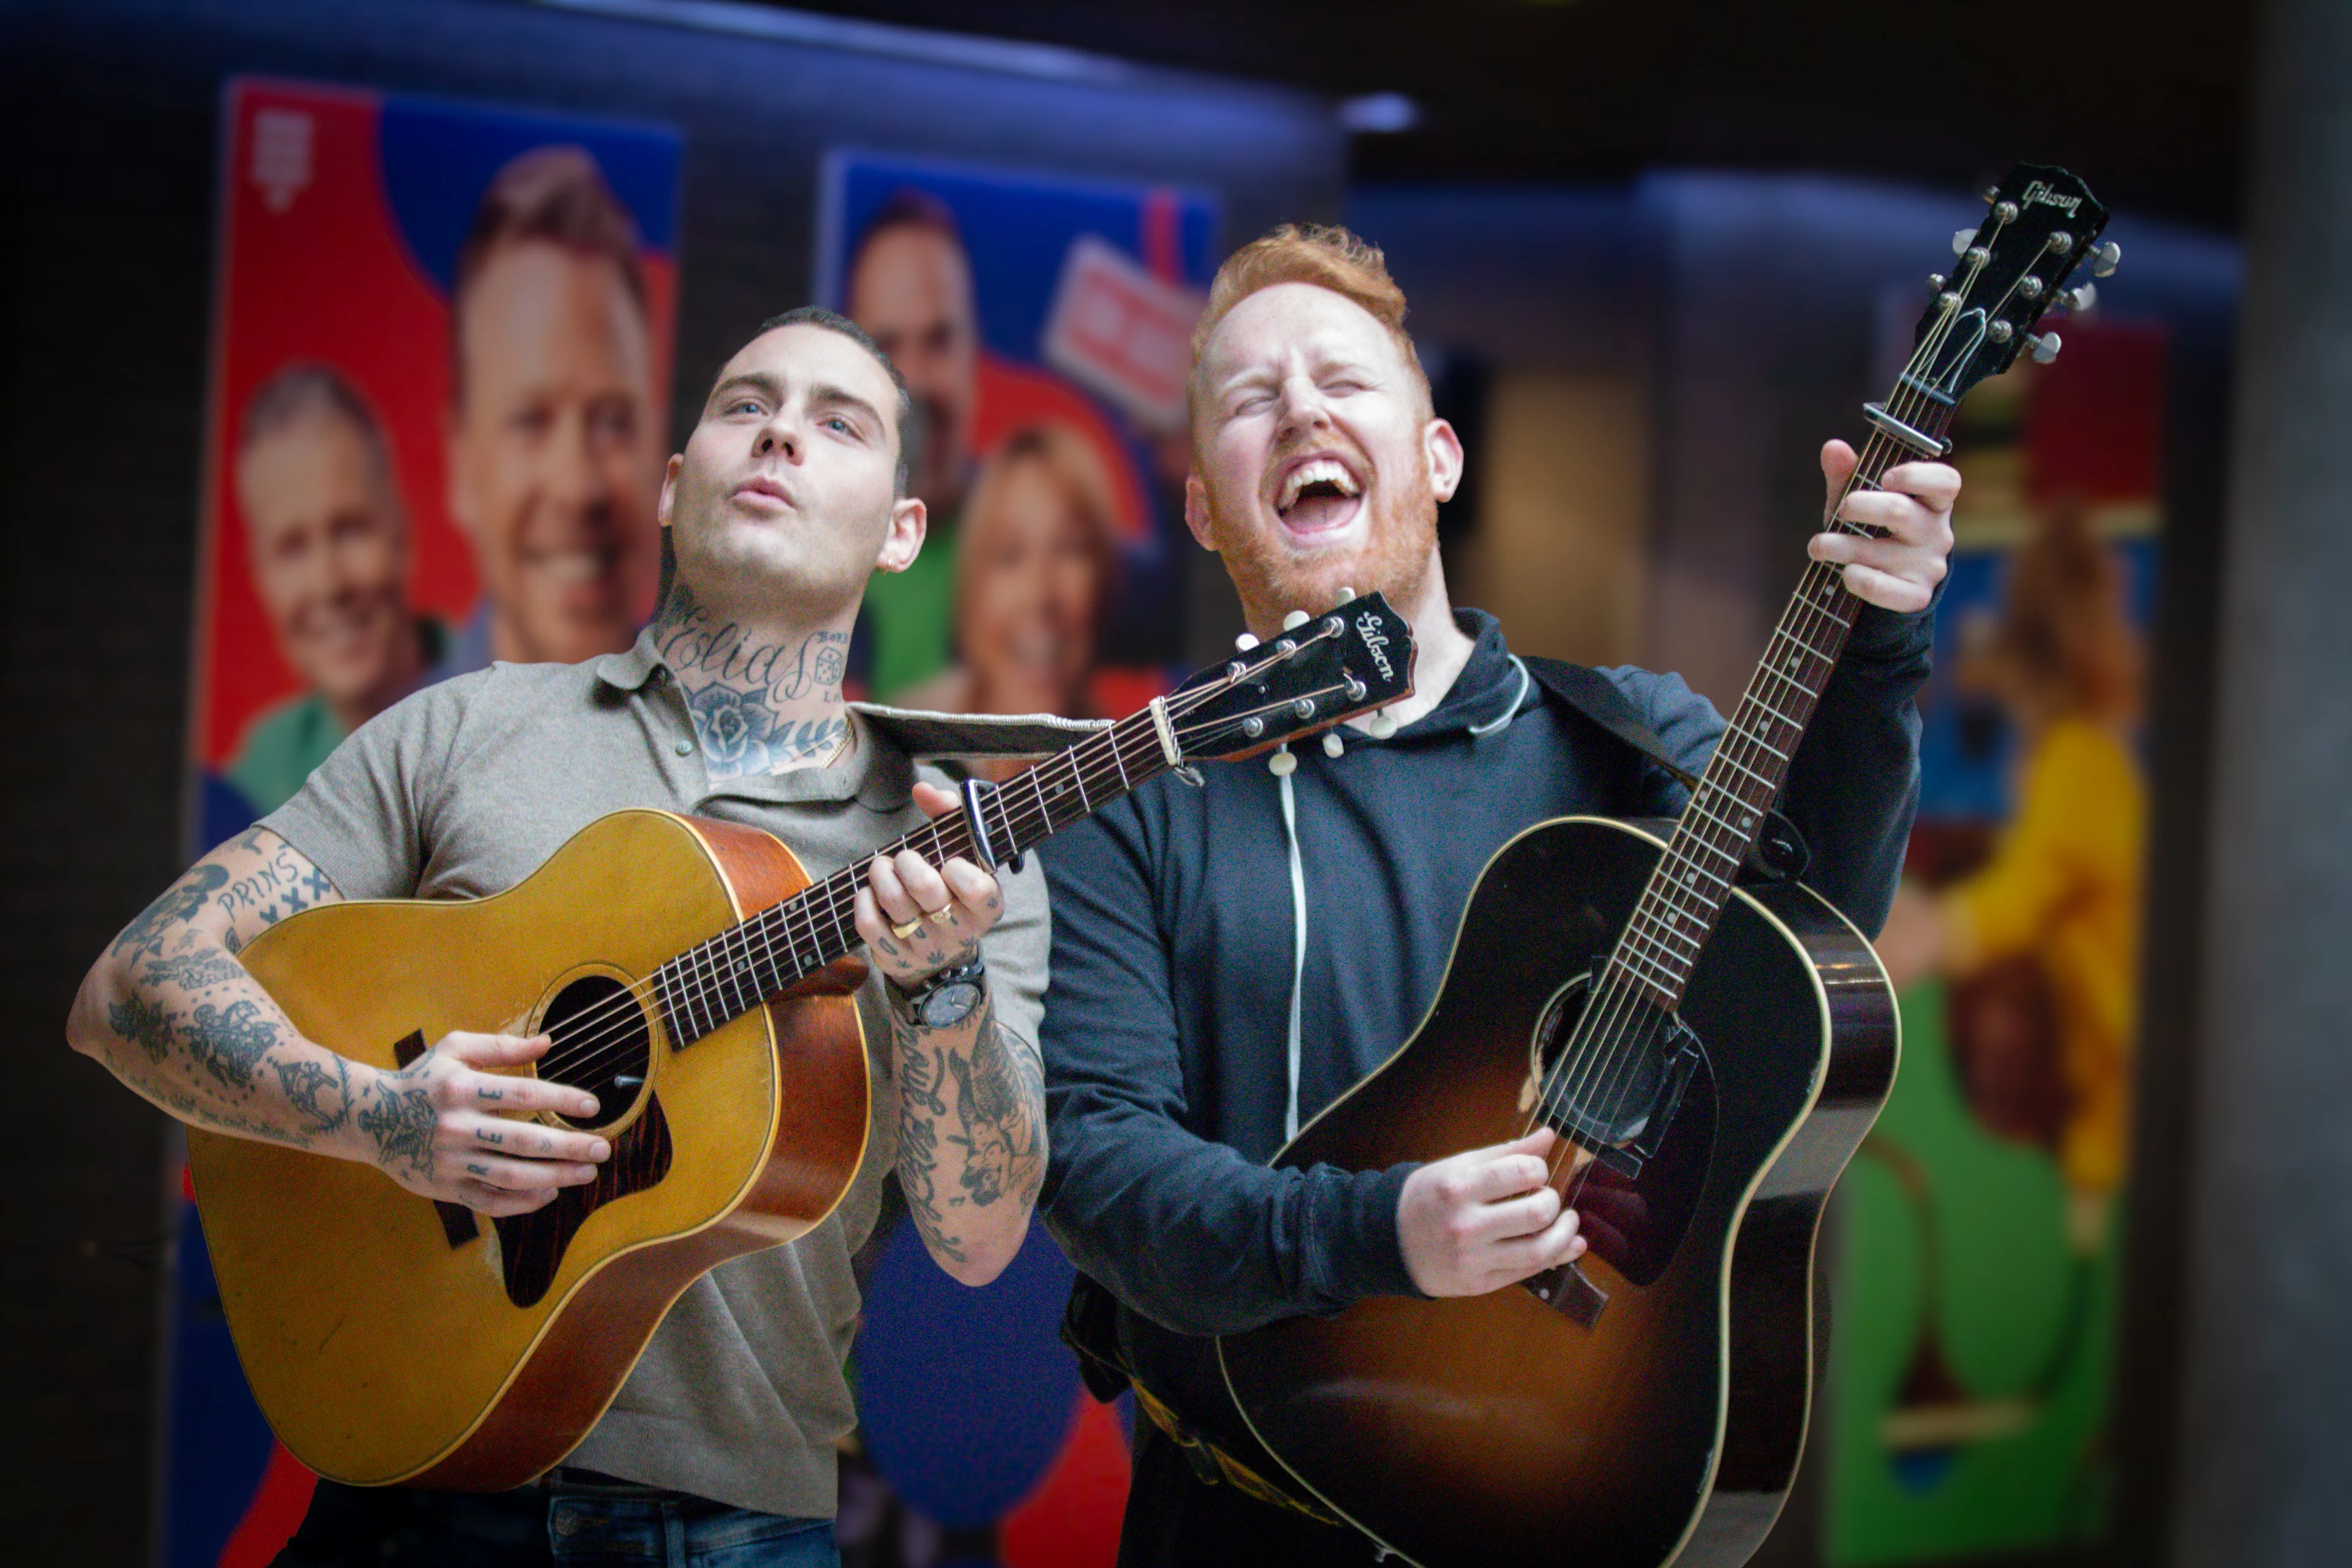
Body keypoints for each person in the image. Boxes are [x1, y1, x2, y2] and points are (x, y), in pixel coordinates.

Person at [1034, 225, 1959, 1566]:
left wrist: (1881, 646)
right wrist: (1380, 1231)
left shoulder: (1626, 741)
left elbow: (1815, 949)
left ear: (1439, 456)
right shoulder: (1130, 798)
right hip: (1230, 1524)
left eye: (1345, 381)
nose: (1300, 406)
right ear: (1200, 507)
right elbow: (1104, 1169)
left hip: (1565, 1485)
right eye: (1251, 398)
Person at [69, 308, 1050, 1566]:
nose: (782, 435)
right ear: (669, 482)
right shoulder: (465, 729)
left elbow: (980, 1239)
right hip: (410, 1505)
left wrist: (948, 983)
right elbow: (131, 984)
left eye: (838, 421)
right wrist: (380, 1115)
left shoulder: (954, 846)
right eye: (745, 405)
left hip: (742, 1528)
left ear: (903, 530)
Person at [1874, 502, 2145, 1253]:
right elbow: (2012, 903)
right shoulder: (2085, 760)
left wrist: (1910, 939)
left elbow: (2009, 906)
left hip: (2111, 1119)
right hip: (2100, 1121)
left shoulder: (2084, 762)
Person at [432, 145, 665, 680]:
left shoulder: (723, 752)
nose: (577, 487)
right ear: (462, 466)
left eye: (613, 421)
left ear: (657, 451)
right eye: (531, 420)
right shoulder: (386, 760)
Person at [225, 363, 440, 813]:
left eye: (349, 530)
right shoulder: (263, 769)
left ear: (403, 536)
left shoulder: (496, 697)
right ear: (261, 577)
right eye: (292, 547)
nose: (329, 584)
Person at [898, 420, 1122, 733]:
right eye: (1009, 554)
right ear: (971, 589)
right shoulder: (900, 747)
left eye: (1070, 548)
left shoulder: (1136, 766)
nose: (1040, 594)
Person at [845, 190, 981, 698]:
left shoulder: (1033, 540)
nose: (916, 380)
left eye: (940, 340)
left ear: (974, 357)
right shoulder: (799, 540)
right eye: (889, 346)